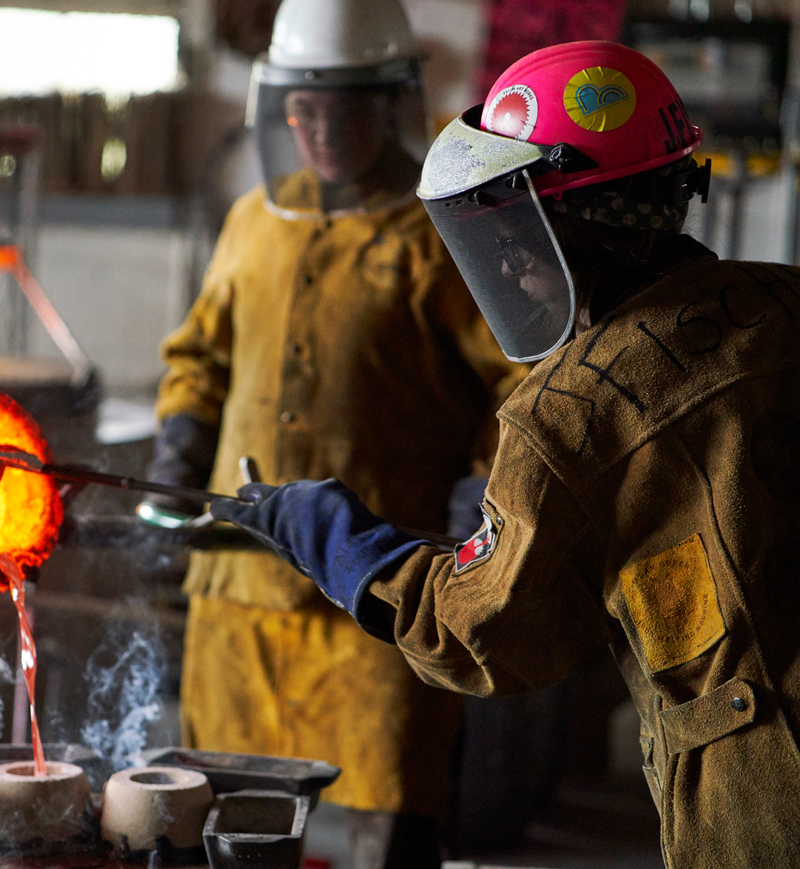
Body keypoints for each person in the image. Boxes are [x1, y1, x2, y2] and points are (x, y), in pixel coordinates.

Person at [211, 39, 800, 868]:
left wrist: (342, 541)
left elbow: (482, 634)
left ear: (569, 224)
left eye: (516, 229)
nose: (511, 263)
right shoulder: (787, 297)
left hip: (767, 797)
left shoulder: (567, 411)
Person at [140, 0, 524, 865]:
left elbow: (518, 385)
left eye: (341, 107)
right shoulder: (252, 222)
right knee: (226, 811)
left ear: (389, 102)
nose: (318, 128)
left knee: (388, 806)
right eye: (301, 108)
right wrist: (181, 440)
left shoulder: (438, 234)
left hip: (382, 591)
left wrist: (479, 490)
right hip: (238, 593)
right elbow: (198, 354)